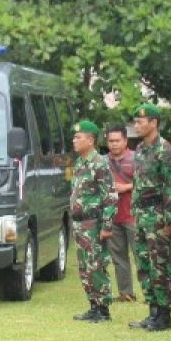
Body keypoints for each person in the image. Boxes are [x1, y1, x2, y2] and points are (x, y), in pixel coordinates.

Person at [127, 104, 171, 332]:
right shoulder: (140, 149)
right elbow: (138, 183)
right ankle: (153, 310)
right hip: (141, 215)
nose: (137, 125)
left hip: (158, 215)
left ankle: (164, 314)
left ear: (154, 123)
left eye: (141, 121)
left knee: (160, 266)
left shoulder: (164, 150)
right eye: (135, 121)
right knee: (144, 264)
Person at [69, 121, 117, 323]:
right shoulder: (80, 163)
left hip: (94, 223)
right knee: (85, 266)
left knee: (96, 265)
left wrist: (106, 226)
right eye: (74, 137)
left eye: (78, 137)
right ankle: (93, 305)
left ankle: (103, 309)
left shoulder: (99, 163)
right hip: (80, 224)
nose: (74, 140)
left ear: (90, 140)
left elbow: (110, 196)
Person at [105, 124, 138, 302]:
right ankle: (126, 293)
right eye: (110, 141)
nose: (114, 144)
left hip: (132, 214)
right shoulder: (103, 161)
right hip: (113, 216)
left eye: (117, 140)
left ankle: (151, 293)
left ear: (125, 141)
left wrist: (126, 187)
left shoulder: (136, 159)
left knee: (141, 255)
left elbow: (148, 182)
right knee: (118, 257)